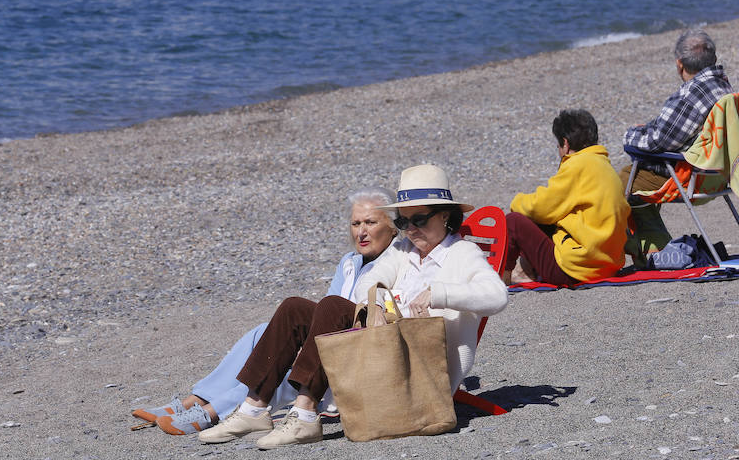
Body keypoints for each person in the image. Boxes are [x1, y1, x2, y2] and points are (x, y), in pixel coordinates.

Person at [197, 164, 508, 449]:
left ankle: (305, 413)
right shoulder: (403, 250)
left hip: (419, 364)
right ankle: (254, 407)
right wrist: (385, 303)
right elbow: (366, 285)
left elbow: (497, 296)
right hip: (383, 341)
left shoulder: (463, 253)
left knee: (332, 307)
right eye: (403, 221)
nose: (411, 229)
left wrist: (439, 294)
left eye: (420, 219)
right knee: (295, 309)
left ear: (444, 216)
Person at [130, 186, 399, 436]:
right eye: (356, 223)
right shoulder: (349, 262)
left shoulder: (397, 261)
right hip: (334, 336)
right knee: (263, 333)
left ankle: (214, 412)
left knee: (289, 362)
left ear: (393, 227)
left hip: (358, 351)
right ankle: (195, 400)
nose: (361, 232)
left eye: (370, 223)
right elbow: (328, 306)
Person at [620, 28, 734, 260]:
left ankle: (623, 248)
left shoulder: (693, 93)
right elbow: (674, 131)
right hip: (719, 174)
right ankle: (655, 247)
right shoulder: (723, 86)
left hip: (689, 176)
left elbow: (658, 140)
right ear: (712, 59)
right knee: (636, 179)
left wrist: (630, 136)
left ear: (680, 64)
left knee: (616, 184)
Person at [504, 109, 630, 286]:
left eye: (558, 145)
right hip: (608, 265)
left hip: (577, 270)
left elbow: (540, 207)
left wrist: (516, 201)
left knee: (515, 221)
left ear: (565, 143)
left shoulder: (578, 164)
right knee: (551, 216)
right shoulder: (604, 165)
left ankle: (504, 275)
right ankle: (524, 271)